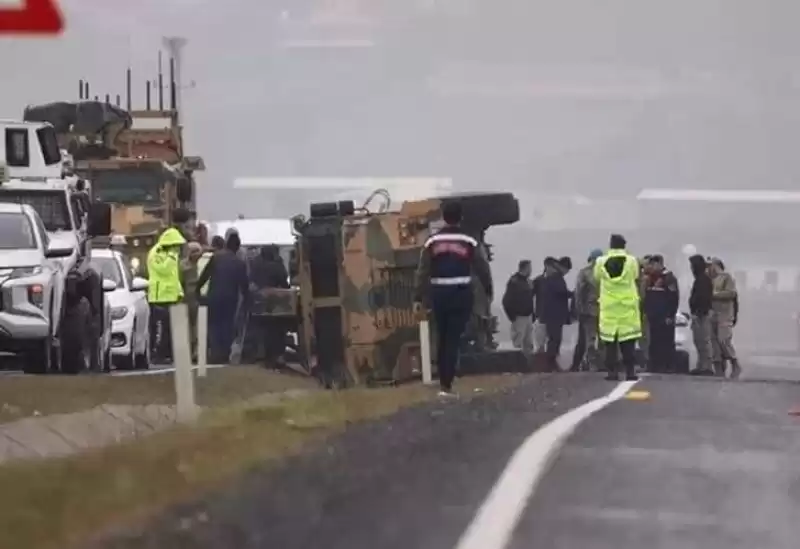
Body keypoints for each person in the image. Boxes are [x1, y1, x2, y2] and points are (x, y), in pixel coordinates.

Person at [414, 201, 492, 397]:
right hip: (461, 292)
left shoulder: (432, 242)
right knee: (454, 338)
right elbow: (482, 266)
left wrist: (418, 296)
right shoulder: (469, 240)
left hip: (438, 293)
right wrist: (488, 289)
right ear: (460, 217)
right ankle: (448, 380)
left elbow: (422, 270)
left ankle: (443, 381)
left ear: (443, 216)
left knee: (442, 335)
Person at [196, 232, 250, 364]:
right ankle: (224, 354)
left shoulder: (216, 258)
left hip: (213, 296)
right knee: (227, 325)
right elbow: (244, 286)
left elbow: (204, 276)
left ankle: (215, 353)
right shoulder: (239, 263)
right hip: (230, 299)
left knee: (214, 325)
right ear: (237, 247)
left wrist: (197, 292)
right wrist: (248, 301)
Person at [594, 234, 641, 381]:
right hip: (627, 308)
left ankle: (612, 372)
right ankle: (630, 371)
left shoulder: (601, 262)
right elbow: (635, 275)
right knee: (628, 343)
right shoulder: (632, 261)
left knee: (610, 344)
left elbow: (597, 277)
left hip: (609, 308)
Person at [146, 227, 187, 363]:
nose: (178, 249)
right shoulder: (156, 253)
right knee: (160, 329)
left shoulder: (172, 255)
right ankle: (157, 355)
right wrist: (171, 256)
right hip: (159, 298)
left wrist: (179, 292)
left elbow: (174, 276)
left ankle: (168, 354)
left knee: (170, 329)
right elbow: (163, 270)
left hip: (171, 297)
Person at [251, 245, 291, 367]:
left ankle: (264, 354)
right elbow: (284, 283)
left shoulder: (256, 265)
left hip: (260, 301)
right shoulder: (277, 265)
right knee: (278, 329)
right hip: (276, 302)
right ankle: (278, 355)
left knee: (264, 329)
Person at [643, 255, 680, 372]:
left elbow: (673, 298)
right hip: (653, 316)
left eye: (653, 264)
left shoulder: (668, 278)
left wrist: (670, 315)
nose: (651, 267)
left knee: (666, 341)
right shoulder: (651, 279)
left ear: (659, 264)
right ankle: (655, 364)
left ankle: (668, 365)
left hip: (665, 316)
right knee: (654, 341)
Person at [538, 256, 573, 371]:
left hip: (552, 314)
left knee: (554, 339)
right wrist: (572, 294)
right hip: (554, 315)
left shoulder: (551, 277)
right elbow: (560, 292)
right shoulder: (556, 278)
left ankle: (551, 363)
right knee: (555, 339)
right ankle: (550, 363)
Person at [708, 257, 741, 378]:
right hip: (712, 313)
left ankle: (734, 363)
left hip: (725, 314)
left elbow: (731, 293)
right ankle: (719, 368)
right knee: (714, 343)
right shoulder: (709, 279)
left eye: (710, 266)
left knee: (724, 339)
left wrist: (713, 295)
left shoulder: (726, 277)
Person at [571, 248, 603, 371]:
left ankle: (591, 364)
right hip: (605, 311)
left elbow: (578, 293)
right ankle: (602, 363)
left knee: (590, 339)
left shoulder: (584, 273)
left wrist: (579, 310)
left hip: (589, 311)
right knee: (603, 339)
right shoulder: (606, 272)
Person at [502, 260, 535, 356]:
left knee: (528, 343)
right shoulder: (514, 282)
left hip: (528, 316)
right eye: (530, 268)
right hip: (519, 317)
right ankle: (516, 364)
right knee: (518, 342)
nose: (531, 271)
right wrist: (512, 317)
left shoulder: (528, 282)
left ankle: (528, 365)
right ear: (525, 268)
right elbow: (506, 301)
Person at [688, 254, 714, 375]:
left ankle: (706, 366)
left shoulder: (703, 280)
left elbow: (703, 298)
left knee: (703, 341)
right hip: (699, 314)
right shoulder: (701, 279)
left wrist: (698, 312)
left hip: (701, 315)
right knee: (699, 341)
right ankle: (702, 365)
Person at [181, 241, 204, 362]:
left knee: (195, 326)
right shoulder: (187, 265)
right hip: (189, 297)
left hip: (195, 297)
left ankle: (195, 351)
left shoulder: (185, 265)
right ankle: (192, 351)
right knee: (191, 326)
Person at [532, 257, 556, 354]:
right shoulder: (539, 280)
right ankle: (540, 364)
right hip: (540, 316)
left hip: (553, 317)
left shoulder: (557, 281)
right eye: (553, 266)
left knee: (553, 343)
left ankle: (550, 365)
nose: (554, 269)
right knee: (540, 345)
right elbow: (530, 295)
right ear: (546, 266)